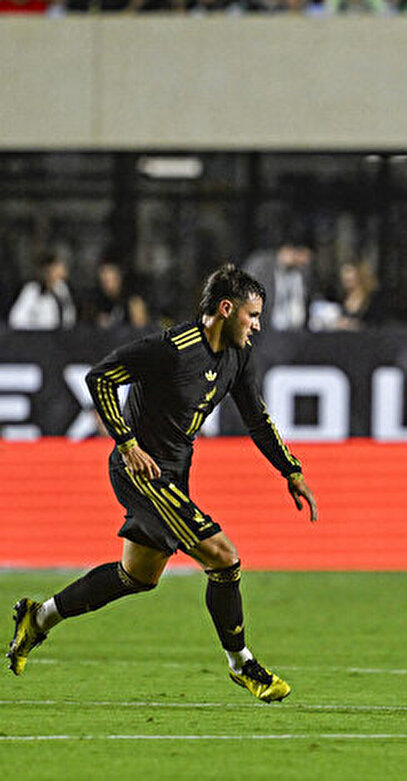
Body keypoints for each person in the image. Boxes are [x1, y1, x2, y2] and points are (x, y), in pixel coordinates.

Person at [6, 264, 318, 702]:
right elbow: (100, 378)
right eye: (252, 315)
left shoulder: (237, 356)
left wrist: (291, 470)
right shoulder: (171, 348)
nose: (257, 325)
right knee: (224, 559)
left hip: (173, 475)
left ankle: (38, 618)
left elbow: (256, 417)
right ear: (226, 309)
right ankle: (242, 663)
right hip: (140, 471)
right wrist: (128, 444)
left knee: (137, 576)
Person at [242, 235, 313, 331]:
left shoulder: (302, 273)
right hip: (265, 334)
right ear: (288, 250)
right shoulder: (262, 267)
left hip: (296, 333)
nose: (304, 264)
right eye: (301, 258)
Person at [7, 252, 76, 330]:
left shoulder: (62, 289)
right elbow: (16, 319)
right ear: (49, 269)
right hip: (37, 336)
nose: (63, 269)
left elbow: (69, 316)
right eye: (59, 266)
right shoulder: (32, 290)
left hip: (60, 337)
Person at [84, 260, 150, 329]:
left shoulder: (132, 299)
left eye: (110, 280)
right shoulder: (98, 300)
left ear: (119, 278)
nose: (108, 285)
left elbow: (141, 328)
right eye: (104, 281)